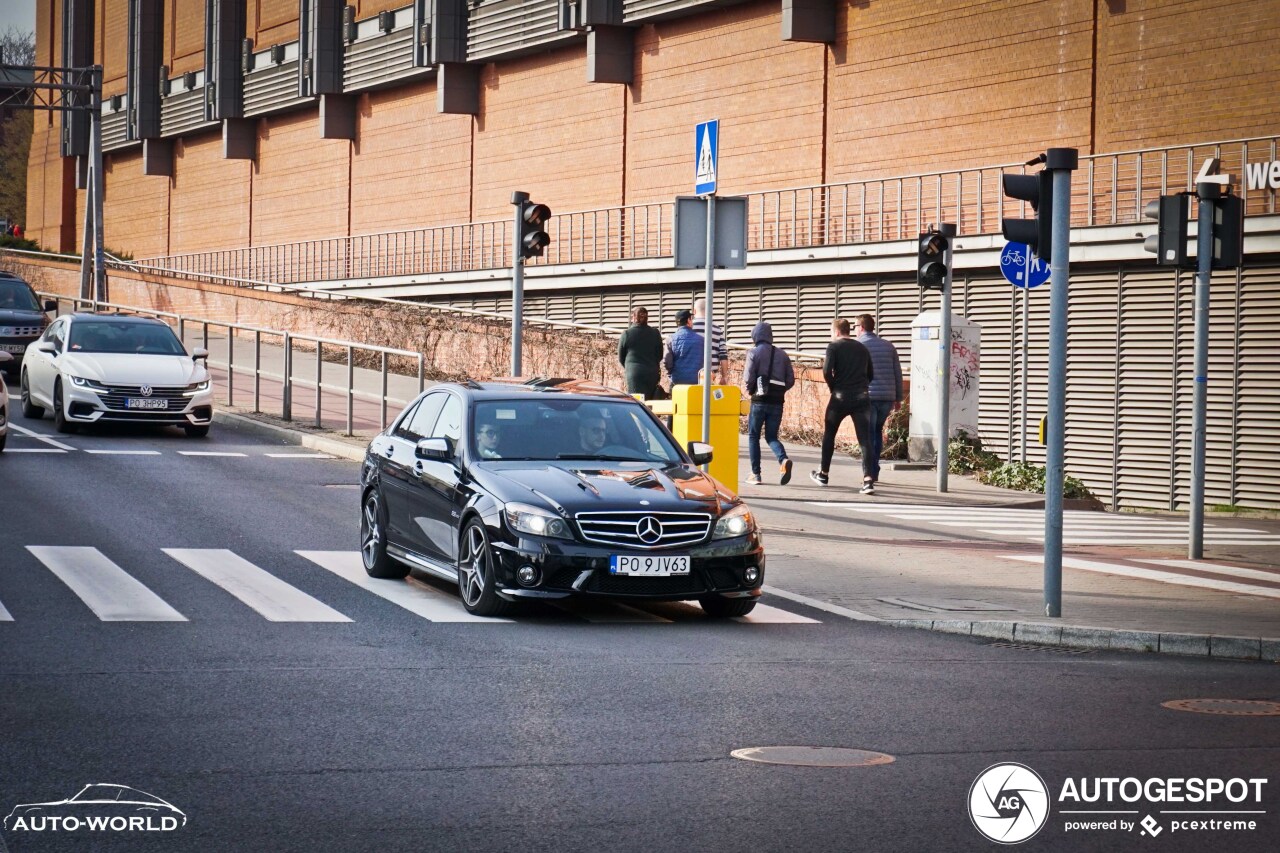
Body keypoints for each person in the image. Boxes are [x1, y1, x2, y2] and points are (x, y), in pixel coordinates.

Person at [810, 318, 875, 493]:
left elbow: (826, 371)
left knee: (829, 434)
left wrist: (834, 387)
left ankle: (823, 474)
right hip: (862, 398)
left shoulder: (834, 346)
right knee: (864, 439)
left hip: (839, 398)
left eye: (832, 332)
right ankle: (868, 480)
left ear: (837, 332)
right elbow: (871, 374)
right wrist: (861, 387)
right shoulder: (862, 348)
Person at [742, 321, 795, 486]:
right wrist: (780, 390)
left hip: (759, 401)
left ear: (755, 336)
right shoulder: (783, 355)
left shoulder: (754, 353)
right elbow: (791, 380)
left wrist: (751, 391)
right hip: (777, 402)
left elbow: (748, 378)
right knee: (771, 436)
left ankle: (755, 474)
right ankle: (783, 459)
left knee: (753, 436)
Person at [855, 314, 903, 487]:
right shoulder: (889, 346)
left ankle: (869, 473)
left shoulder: (859, 345)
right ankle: (874, 470)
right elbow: (898, 373)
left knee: (868, 435)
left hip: (868, 397)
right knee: (877, 432)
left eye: (855, 327)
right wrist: (898, 398)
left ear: (861, 327)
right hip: (887, 397)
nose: (854, 330)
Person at [617, 306, 664, 398]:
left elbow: (621, 357)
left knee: (636, 402)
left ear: (633, 317)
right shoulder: (655, 333)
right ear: (647, 318)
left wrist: (629, 366)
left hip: (634, 373)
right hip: (652, 372)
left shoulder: (626, 334)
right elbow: (660, 355)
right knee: (650, 403)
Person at [691, 297, 728, 385]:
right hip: (710, 375)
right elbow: (723, 354)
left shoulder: (690, 327)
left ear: (694, 311)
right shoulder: (717, 329)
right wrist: (724, 377)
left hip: (690, 373)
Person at [663, 309, 704, 387]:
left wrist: (671, 374)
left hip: (677, 382)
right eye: (691, 319)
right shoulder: (701, 340)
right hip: (697, 382)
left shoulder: (670, 339)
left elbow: (667, 361)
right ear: (688, 321)